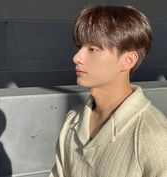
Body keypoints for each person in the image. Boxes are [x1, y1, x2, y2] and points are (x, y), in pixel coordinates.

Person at [49, 5, 167, 177]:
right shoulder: (73, 120)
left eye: (93, 49)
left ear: (128, 60)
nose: (76, 57)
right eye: (80, 46)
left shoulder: (154, 136)